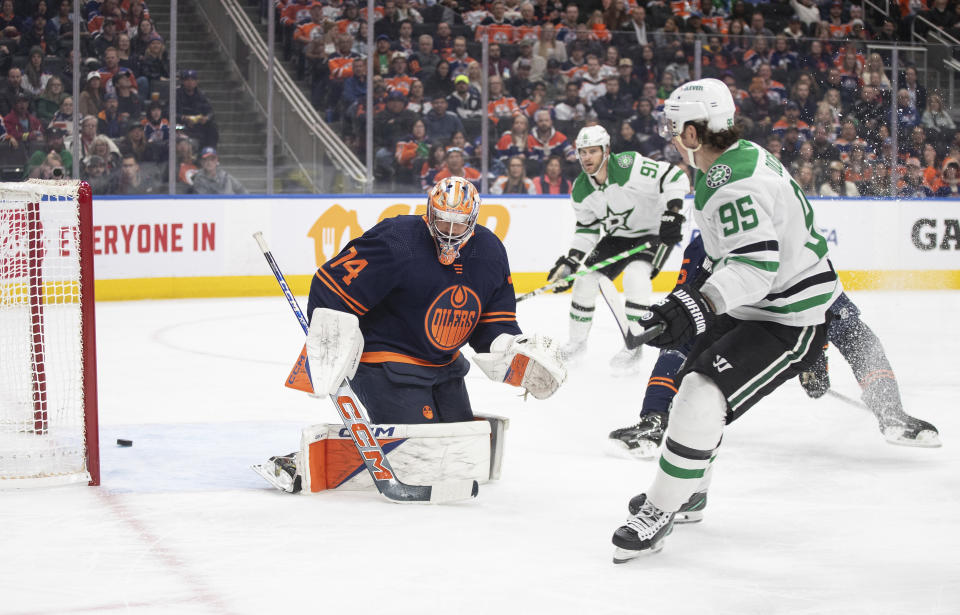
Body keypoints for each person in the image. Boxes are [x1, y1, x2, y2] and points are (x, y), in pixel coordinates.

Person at [610, 78, 841, 562]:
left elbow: (756, 267)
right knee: (688, 378)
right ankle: (689, 490)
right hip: (759, 302)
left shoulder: (726, 182)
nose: (672, 140)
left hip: (787, 316)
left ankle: (661, 507)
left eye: (675, 130)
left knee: (700, 392)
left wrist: (696, 304)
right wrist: (693, 304)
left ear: (693, 133)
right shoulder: (743, 155)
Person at [255, 177, 566, 491]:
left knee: (459, 452)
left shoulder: (490, 252)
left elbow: (493, 322)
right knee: (421, 456)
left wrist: (511, 346)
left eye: (458, 225)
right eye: (442, 220)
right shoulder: (397, 240)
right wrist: (331, 338)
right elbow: (330, 284)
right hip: (386, 362)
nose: (448, 232)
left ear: (473, 220)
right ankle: (297, 465)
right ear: (429, 211)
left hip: (444, 367)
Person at [609, 234, 940, 460]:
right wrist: (669, 322)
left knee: (855, 331)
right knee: (682, 347)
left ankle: (892, 413)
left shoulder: (795, 238)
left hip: (788, 313)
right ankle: (654, 420)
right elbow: (685, 306)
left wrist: (816, 360)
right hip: (731, 308)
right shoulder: (705, 246)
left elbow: (827, 307)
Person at [547, 124, 690, 375]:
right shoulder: (581, 189)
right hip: (618, 238)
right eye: (582, 152)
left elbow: (675, 177)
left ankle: (634, 345)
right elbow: (587, 230)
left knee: (636, 275)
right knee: (585, 281)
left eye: (592, 151)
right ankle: (577, 344)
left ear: (606, 151)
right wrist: (570, 262)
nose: (587, 157)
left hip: (655, 232)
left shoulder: (628, 166)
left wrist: (673, 213)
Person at [176, 69, 218, 150]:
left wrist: (206, 118)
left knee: (212, 127)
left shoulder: (201, 95)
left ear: (196, 82)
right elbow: (168, 112)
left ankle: (210, 152)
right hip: (181, 126)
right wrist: (183, 118)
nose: (190, 82)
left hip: (198, 126)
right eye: (187, 80)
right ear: (183, 82)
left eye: (192, 80)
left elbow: (210, 112)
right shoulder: (177, 94)